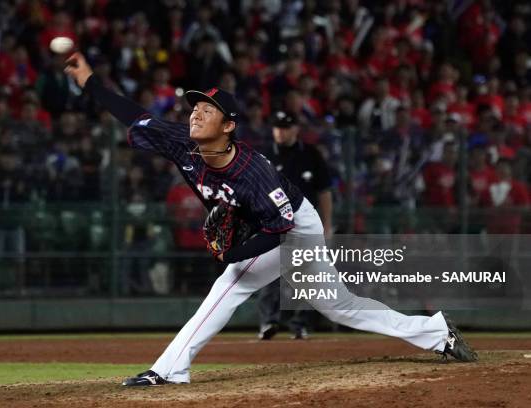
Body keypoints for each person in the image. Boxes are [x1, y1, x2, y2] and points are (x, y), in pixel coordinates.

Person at [64, 52, 477, 387]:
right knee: (340, 307)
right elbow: (132, 115)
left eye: (207, 110)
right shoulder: (181, 143)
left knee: (231, 283)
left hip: (297, 227)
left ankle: (170, 370)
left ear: (228, 126)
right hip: (269, 227)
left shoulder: (252, 173)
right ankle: (438, 332)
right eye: (194, 108)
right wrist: (91, 83)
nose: (195, 115)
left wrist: (235, 254)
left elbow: (279, 231)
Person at [257, 111, 335, 340]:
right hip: (273, 224)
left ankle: (300, 323)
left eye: (285, 127)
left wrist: (327, 224)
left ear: (295, 129)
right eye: (277, 127)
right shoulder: (265, 155)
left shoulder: (310, 154)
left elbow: (324, 192)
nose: (280, 131)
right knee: (269, 275)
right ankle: (268, 322)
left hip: (305, 225)